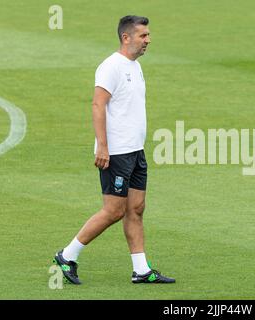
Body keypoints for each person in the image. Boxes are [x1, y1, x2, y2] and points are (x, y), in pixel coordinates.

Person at [53, 15, 175, 284]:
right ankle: (67, 255)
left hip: (135, 150)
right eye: (143, 36)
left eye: (148, 35)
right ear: (126, 37)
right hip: (116, 152)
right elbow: (98, 105)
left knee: (136, 209)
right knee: (113, 210)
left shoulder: (134, 66)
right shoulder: (111, 67)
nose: (148, 40)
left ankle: (141, 270)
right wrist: (103, 147)